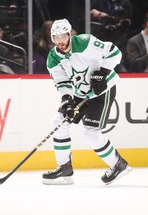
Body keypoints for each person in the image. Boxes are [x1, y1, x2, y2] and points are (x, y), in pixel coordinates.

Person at [42, 19, 132, 185]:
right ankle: (65, 168)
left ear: (70, 34)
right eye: (55, 37)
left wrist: (102, 72)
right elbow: (61, 82)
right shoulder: (53, 57)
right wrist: (67, 99)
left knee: (91, 133)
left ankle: (118, 164)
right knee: (59, 122)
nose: (59, 41)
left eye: (62, 36)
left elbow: (114, 52)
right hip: (80, 93)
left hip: (102, 90)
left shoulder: (85, 42)